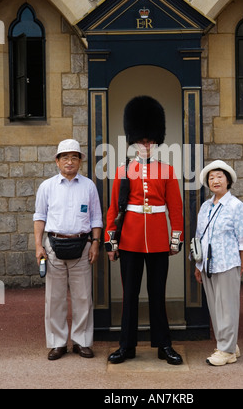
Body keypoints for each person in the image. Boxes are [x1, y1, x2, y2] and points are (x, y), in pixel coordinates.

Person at [105, 96, 184, 365]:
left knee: (157, 294)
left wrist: (176, 238)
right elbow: (114, 209)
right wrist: (111, 242)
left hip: (160, 241)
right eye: (141, 140)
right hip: (129, 240)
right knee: (130, 296)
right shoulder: (123, 171)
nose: (146, 145)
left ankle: (164, 345)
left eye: (150, 141)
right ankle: (126, 347)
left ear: (156, 141)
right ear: (133, 140)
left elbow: (176, 209)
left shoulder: (168, 170)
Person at [33, 139, 103, 360]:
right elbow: (40, 217)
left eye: (74, 157)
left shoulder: (89, 186)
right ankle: (58, 342)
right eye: (65, 157)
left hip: (82, 246)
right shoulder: (47, 186)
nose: (70, 161)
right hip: (53, 246)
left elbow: (96, 218)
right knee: (55, 298)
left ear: (80, 161)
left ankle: (82, 341)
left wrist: (95, 243)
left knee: (83, 297)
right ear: (57, 161)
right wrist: (38, 246)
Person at [194, 160, 243, 366]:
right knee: (215, 308)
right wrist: (197, 265)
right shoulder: (205, 207)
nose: (215, 180)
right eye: (211, 177)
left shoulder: (236, 205)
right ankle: (229, 345)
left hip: (228, 263)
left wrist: (242, 265)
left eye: (220, 176)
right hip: (208, 265)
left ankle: (226, 350)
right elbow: (199, 236)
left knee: (227, 307)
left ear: (228, 180)